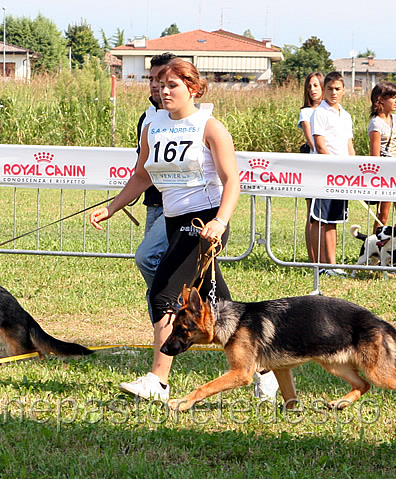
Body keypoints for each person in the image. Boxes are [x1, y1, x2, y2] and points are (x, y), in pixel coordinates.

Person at [90, 59, 240, 400]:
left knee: (163, 292)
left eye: (173, 85)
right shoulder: (152, 126)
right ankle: (262, 369)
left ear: (194, 88)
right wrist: (112, 207)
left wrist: (220, 221)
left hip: (204, 222)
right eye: (160, 84)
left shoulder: (210, 127)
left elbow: (233, 181)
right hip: (174, 221)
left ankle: (157, 380)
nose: (164, 91)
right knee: (221, 304)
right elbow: (143, 175)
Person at [134, 52, 175, 321]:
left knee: (149, 259)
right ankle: (162, 330)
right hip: (155, 203)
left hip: (187, 207)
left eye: (163, 80)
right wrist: (116, 204)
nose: (156, 86)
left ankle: (176, 313)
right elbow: (142, 170)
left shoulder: (197, 121)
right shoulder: (147, 120)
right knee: (157, 266)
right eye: (152, 79)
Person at [310, 71, 355, 276]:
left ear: (343, 90)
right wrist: (336, 167)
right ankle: (324, 265)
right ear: (324, 89)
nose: (333, 93)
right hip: (325, 173)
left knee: (334, 221)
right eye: (329, 89)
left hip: (342, 176)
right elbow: (320, 145)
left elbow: (349, 145)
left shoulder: (345, 116)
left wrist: (352, 168)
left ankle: (333, 264)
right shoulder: (319, 112)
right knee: (321, 220)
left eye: (337, 89)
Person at [368, 81, 396, 240]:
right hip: (385, 174)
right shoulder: (375, 123)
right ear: (380, 99)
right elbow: (375, 155)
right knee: (382, 217)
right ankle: (376, 250)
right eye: (393, 97)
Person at [298, 72, 324, 263]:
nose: (313, 90)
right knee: (312, 214)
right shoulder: (306, 112)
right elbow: (312, 140)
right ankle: (312, 258)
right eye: (309, 86)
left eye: (316, 85)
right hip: (313, 165)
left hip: (330, 165)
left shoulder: (330, 111)